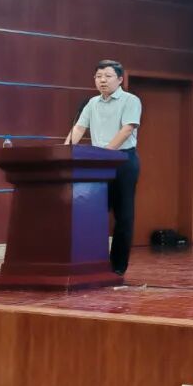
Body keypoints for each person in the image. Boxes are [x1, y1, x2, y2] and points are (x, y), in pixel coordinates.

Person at [64, 59, 142, 276]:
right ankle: (92, 261)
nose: (102, 80)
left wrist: (106, 153)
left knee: (123, 215)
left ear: (120, 79)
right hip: (98, 164)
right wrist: (65, 151)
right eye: (98, 76)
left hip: (123, 160)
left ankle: (117, 266)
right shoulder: (92, 103)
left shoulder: (131, 100)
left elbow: (127, 130)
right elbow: (79, 128)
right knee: (93, 212)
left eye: (107, 76)